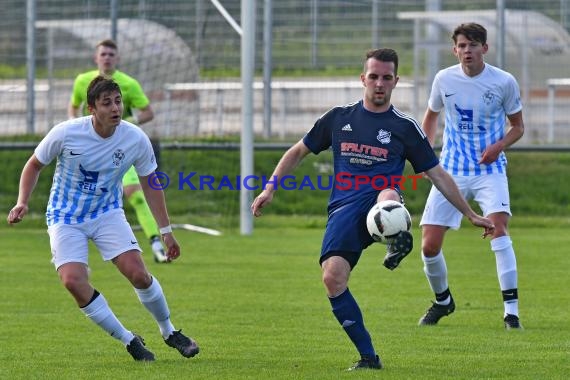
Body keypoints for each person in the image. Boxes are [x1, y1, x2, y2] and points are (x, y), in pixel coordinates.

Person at [251, 48, 495, 371]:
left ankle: (396, 238)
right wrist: (270, 187)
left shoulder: (405, 127)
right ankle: (369, 358)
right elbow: (298, 151)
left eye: (387, 78)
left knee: (389, 193)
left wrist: (470, 213)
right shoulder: (339, 118)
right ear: (363, 78)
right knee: (332, 278)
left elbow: (438, 175)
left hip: (382, 201)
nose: (379, 83)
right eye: (374, 76)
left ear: (396, 81)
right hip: (344, 209)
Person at [8, 76, 199, 361]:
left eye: (118, 101)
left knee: (138, 273)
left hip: (107, 213)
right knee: (73, 281)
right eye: (106, 103)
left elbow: (150, 182)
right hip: (65, 217)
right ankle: (129, 340)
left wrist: (166, 230)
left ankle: (170, 332)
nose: (115, 108)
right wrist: (22, 201)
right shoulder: (65, 133)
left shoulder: (135, 138)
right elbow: (34, 165)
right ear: (91, 109)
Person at [418, 23, 525, 330]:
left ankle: (511, 312)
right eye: (462, 46)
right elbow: (431, 116)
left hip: (489, 169)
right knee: (428, 246)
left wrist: (499, 145)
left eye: (473, 45)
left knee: (498, 227)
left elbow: (518, 127)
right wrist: (427, 159)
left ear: (484, 49)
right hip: (450, 170)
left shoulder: (503, 81)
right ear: (455, 50)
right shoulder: (444, 79)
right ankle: (442, 302)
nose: (467, 51)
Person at [68, 39, 168, 264]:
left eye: (111, 54)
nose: (107, 57)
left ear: (118, 58)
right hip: (88, 154)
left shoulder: (129, 84)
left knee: (136, 195)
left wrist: (126, 123)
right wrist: (76, 126)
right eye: (103, 54)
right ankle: (70, 244)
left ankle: (155, 244)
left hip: (120, 150)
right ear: (96, 58)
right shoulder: (83, 81)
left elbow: (148, 112)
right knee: (80, 197)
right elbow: (73, 106)